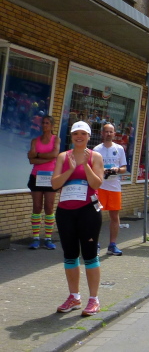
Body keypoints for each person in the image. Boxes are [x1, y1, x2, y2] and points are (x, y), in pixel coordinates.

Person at [50, 121, 105, 316]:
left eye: (83, 133)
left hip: (88, 211)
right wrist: (70, 169)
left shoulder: (95, 156)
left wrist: (85, 166)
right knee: (70, 254)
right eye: (75, 134)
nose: (79, 137)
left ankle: (94, 299)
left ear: (89, 136)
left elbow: (96, 183)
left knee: (90, 255)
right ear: (71, 136)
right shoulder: (63, 156)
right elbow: (54, 184)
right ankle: (74, 297)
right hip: (65, 211)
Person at [93, 123, 128, 256]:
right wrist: (102, 170)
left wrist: (117, 170)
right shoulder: (97, 149)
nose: (108, 134)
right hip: (99, 187)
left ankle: (112, 245)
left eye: (110, 132)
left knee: (114, 216)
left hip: (114, 187)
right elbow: (92, 168)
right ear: (102, 133)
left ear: (114, 133)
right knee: (95, 217)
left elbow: (124, 168)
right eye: (106, 131)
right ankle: (95, 244)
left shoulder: (119, 149)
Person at [27, 115, 61, 250]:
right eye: (43, 123)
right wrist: (47, 157)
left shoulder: (56, 139)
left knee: (49, 207)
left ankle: (48, 238)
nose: (44, 125)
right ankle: (36, 238)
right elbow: (31, 159)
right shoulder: (35, 140)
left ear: (52, 125)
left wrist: (38, 155)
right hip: (36, 176)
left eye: (47, 123)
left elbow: (55, 154)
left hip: (50, 177)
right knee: (36, 207)